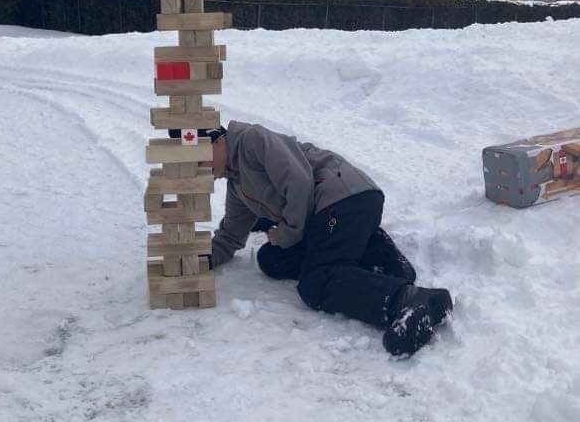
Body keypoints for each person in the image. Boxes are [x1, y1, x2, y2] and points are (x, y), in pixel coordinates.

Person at [174, 121, 452, 357]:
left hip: (344, 197)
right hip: (336, 212)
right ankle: (376, 254)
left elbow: (300, 181)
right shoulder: (237, 187)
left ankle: (408, 300)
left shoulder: (251, 140)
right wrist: (199, 260)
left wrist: (287, 232)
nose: (201, 170)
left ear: (216, 139)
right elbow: (230, 236)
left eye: (199, 160)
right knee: (272, 259)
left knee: (316, 283)